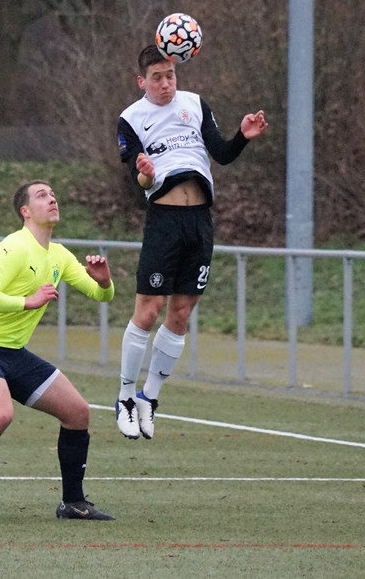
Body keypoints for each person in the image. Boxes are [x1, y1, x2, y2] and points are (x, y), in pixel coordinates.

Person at [0, 180, 116, 523]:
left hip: (13, 352)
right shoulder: (14, 246)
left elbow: (101, 295)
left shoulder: (59, 254)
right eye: (42, 195)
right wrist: (27, 301)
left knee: (78, 412)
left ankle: (73, 503)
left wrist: (104, 280)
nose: (52, 199)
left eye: (53, 194)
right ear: (25, 211)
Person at [113, 44, 268, 440]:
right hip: (164, 222)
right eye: (157, 78)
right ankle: (125, 397)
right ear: (142, 81)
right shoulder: (131, 119)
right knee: (148, 311)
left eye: (170, 75)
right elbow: (137, 179)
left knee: (181, 314)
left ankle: (149, 397)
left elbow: (222, 154)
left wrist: (243, 136)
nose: (166, 84)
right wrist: (146, 173)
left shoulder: (195, 105)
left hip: (199, 221)